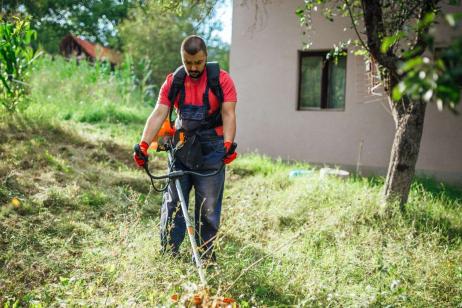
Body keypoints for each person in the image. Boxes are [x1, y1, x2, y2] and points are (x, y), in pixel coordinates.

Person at [133, 35, 237, 263]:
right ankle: (169, 254)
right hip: (181, 146)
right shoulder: (175, 81)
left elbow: (229, 113)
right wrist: (143, 145)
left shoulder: (221, 80)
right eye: (188, 62)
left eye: (198, 62)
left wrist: (228, 144)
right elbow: (159, 112)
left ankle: (204, 257)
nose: (193, 68)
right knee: (174, 205)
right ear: (182, 59)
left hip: (211, 150)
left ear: (205, 57)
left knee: (208, 207)